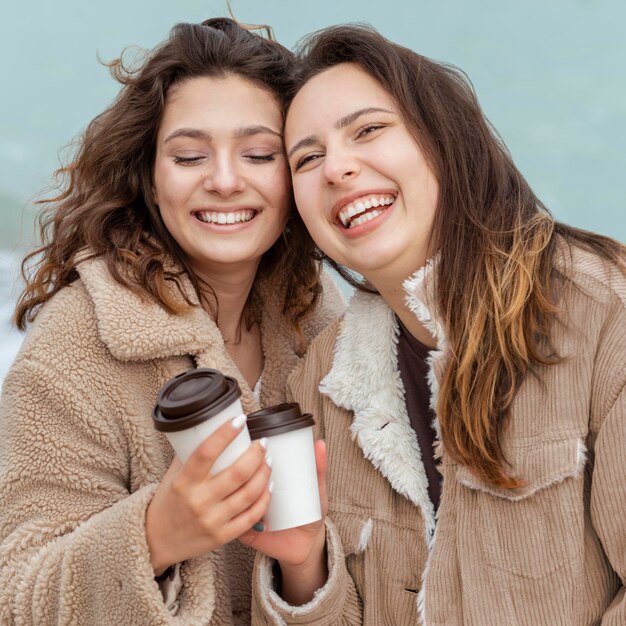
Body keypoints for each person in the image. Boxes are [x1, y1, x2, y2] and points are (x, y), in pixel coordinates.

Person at [250, 24, 626, 625]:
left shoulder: (604, 312)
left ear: (442, 138)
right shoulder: (320, 383)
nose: (337, 169)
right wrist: (302, 569)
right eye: (308, 158)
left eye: (368, 130)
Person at [0, 18, 344, 625]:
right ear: (151, 181)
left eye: (259, 153)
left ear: (294, 174)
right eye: (189, 155)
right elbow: (16, 596)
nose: (225, 180)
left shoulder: (317, 320)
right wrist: (158, 534)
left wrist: (304, 569)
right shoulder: (77, 340)